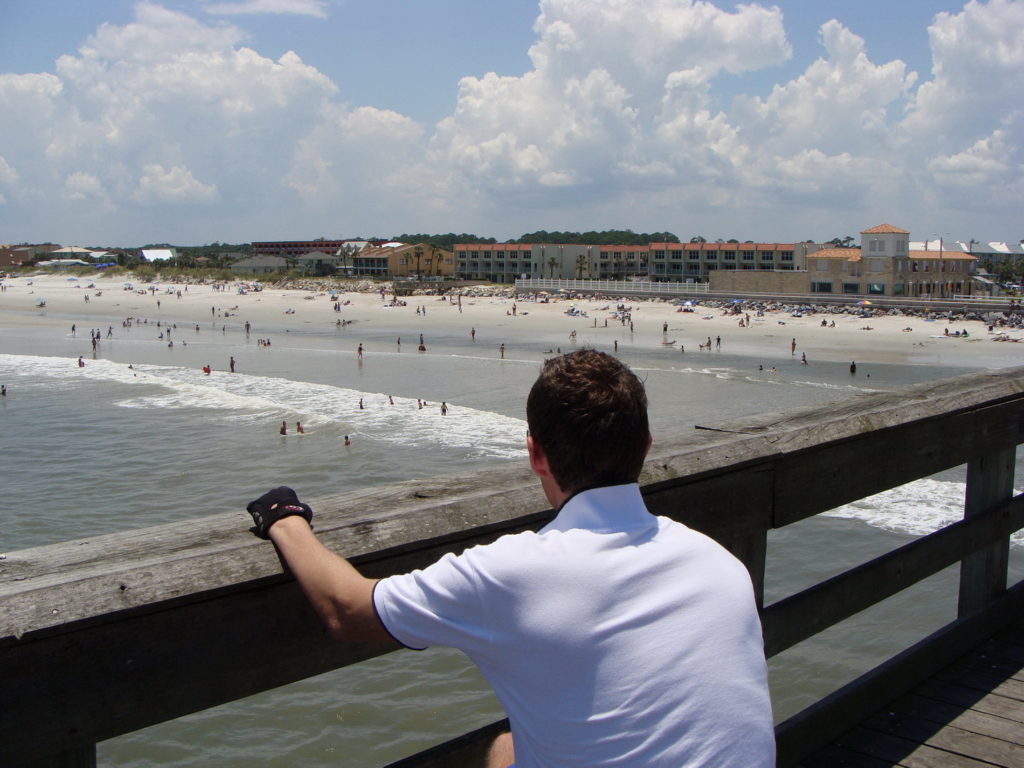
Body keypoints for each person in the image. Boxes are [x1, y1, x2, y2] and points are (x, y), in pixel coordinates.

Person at [246, 350, 774, 767]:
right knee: (514, 747)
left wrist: (285, 519)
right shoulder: (718, 561)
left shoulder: (516, 570)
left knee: (503, 750)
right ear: (646, 445)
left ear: (536, 454)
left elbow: (346, 608)